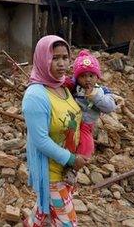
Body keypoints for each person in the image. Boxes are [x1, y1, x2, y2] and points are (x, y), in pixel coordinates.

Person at [22, 35, 88, 227]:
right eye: (54, 58)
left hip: (66, 168)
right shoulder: (35, 96)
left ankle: (31, 223)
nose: (61, 64)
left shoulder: (63, 86)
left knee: (45, 210)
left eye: (65, 57)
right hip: (51, 172)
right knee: (68, 223)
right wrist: (71, 159)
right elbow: (40, 140)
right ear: (43, 59)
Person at [63, 49, 117, 185]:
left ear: (97, 77)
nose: (87, 79)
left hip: (87, 125)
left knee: (86, 146)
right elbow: (63, 83)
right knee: (68, 141)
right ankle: (64, 161)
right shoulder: (75, 87)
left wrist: (96, 97)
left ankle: (75, 167)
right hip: (72, 121)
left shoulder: (102, 91)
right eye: (83, 76)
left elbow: (110, 107)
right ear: (77, 77)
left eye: (91, 76)